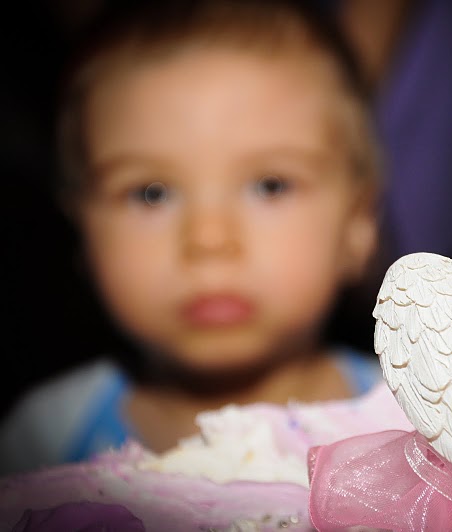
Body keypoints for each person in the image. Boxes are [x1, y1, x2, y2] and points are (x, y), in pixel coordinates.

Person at [0, 0, 384, 475]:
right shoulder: (43, 443)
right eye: (150, 193)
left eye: (270, 185)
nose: (208, 238)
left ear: (358, 223)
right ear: (81, 226)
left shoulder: (424, 422)